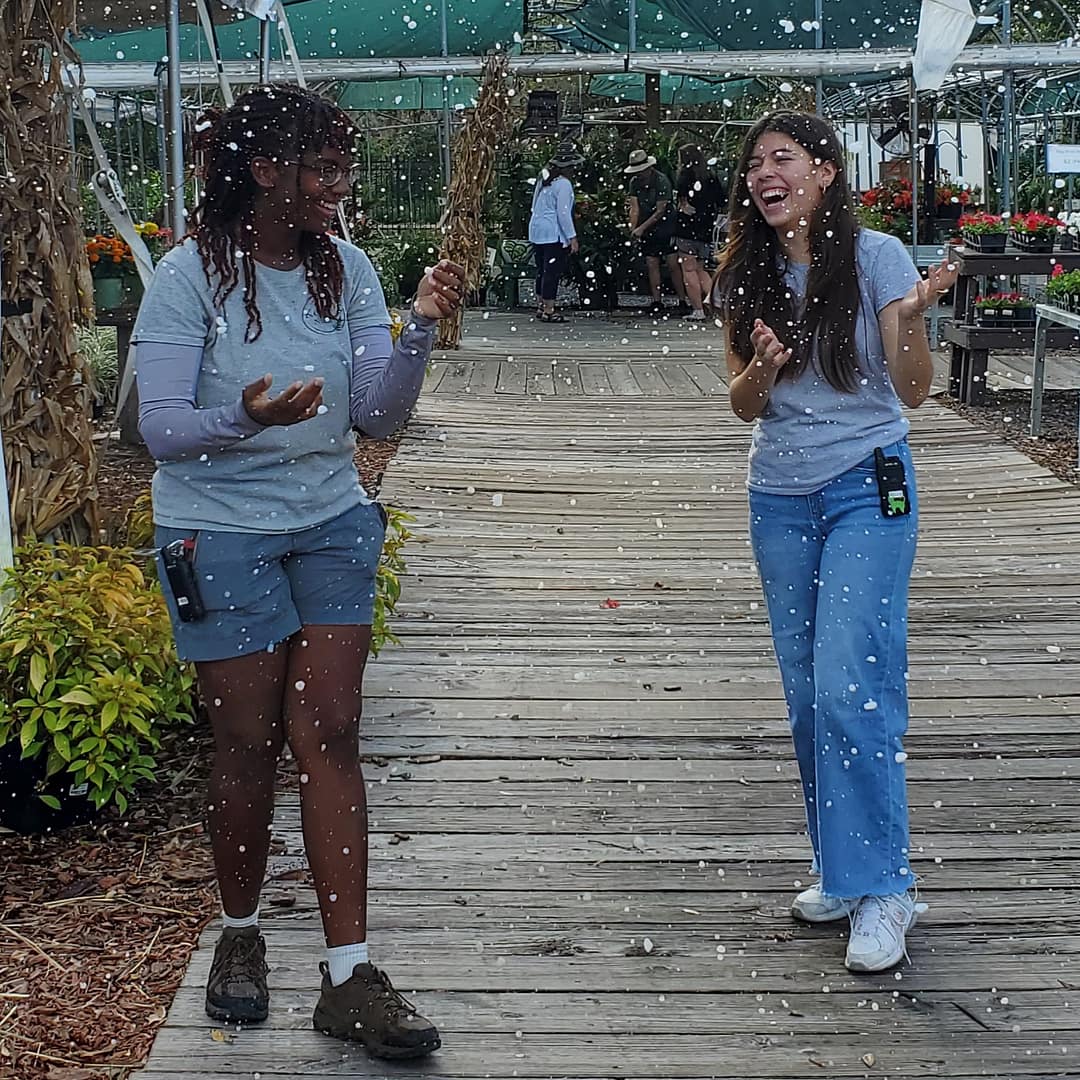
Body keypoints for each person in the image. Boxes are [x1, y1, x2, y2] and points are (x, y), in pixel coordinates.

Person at [131, 85, 464, 1059]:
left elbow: (377, 414)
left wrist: (417, 329)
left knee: (331, 734)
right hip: (216, 533)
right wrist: (248, 418)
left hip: (328, 523)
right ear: (264, 170)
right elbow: (159, 430)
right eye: (321, 167)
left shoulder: (347, 270)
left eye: (342, 168)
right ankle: (240, 937)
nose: (339, 186)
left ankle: (350, 973)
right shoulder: (187, 278)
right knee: (243, 743)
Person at [713, 111, 957, 973]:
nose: (763, 174)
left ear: (824, 170)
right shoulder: (746, 269)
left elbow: (915, 392)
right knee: (809, 694)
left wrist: (919, 315)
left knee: (853, 681)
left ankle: (888, 886)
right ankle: (845, 870)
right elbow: (742, 405)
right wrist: (763, 369)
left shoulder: (877, 256)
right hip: (777, 499)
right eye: (754, 165)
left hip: (869, 483)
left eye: (782, 158)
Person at [624, 149, 687, 315]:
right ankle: (657, 300)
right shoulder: (635, 182)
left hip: (666, 226)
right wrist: (633, 228)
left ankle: (682, 299)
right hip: (646, 226)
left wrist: (641, 228)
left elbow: (660, 211)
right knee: (652, 263)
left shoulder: (661, 180)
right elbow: (634, 207)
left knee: (673, 264)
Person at [528, 142, 583, 323]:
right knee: (551, 271)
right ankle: (549, 309)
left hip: (537, 229)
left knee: (542, 271)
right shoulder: (564, 184)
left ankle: (540, 304)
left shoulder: (543, 179)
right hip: (553, 232)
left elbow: (534, 205)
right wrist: (572, 236)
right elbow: (563, 212)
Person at [672, 143, 726, 320]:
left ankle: (698, 309)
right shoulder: (710, 176)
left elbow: (682, 202)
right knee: (701, 269)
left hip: (687, 228)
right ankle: (717, 307)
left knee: (688, 269)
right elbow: (721, 200)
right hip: (706, 227)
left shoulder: (685, 176)